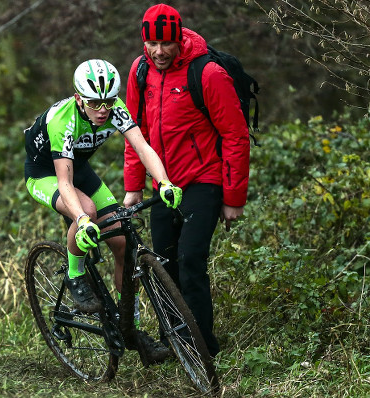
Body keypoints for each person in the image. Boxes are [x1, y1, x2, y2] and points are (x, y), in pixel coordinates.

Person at [24, 59, 182, 361]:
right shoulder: (63, 121)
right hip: (45, 173)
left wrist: (163, 182)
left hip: (78, 167)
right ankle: (75, 275)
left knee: (123, 243)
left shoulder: (114, 108)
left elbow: (143, 146)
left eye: (108, 101)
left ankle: (129, 326)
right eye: (95, 103)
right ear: (78, 98)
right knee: (87, 210)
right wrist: (82, 220)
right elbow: (64, 182)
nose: (103, 110)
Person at [123, 4, 251, 358]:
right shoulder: (139, 71)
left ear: (179, 39)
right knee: (163, 265)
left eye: (166, 43)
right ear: (144, 40)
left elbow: (235, 136)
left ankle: (204, 348)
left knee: (190, 260)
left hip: (203, 181)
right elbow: (136, 134)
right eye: (152, 43)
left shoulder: (208, 74)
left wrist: (234, 198)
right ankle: (174, 341)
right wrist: (134, 186)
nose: (159, 51)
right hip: (162, 186)